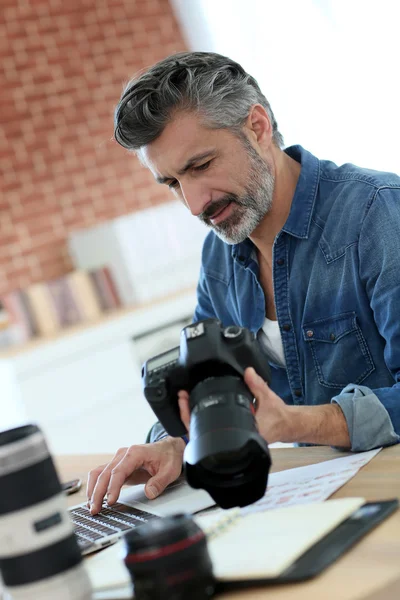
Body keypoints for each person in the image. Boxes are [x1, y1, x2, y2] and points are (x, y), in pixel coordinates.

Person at [87, 52, 400, 515]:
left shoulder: (378, 215)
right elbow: (201, 381)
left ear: (257, 126)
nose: (194, 204)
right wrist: (174, 443)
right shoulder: (220, 256)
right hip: (305, 502)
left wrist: (297, 424)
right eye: (172, 183)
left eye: (200, 166)